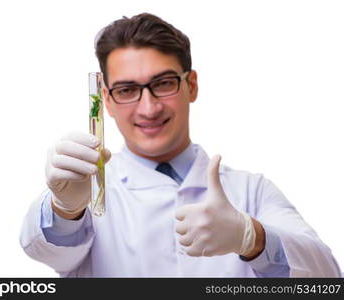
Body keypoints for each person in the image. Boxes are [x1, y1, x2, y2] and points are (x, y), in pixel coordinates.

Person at [19, 13, 341, 277]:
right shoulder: (87, 190)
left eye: (163, 84)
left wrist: (252, 237)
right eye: (127, 90)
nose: (149, 108)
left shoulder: (250, 192)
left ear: (191, 85)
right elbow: (46, 252)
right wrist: (66, 210)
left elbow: (326, 277)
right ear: (106, 100)